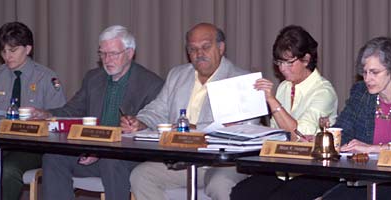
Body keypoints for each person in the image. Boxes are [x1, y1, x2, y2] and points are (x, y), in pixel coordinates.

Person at [28, 25, 164, 200]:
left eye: (113, 54)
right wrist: (46, 114)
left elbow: (151, 131)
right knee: (53, 157)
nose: (107, 60)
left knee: (111, 161)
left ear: (130, 53)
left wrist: (101, 151)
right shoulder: (93, 78)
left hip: (128, 158)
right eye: (102, 53)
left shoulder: (150, 84)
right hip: (92, 151)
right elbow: (72, 110)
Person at [121, 23, 253, 200]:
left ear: (221, 48)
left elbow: (248, 128)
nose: (199, 54)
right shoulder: (177, 75)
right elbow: (157, 110)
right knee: (141, 176)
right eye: (193, 49)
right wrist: (140, 122)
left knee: (221, 186)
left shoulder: (241, 80)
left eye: (206, 47)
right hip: (182, 159)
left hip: (223, 164)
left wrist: (197, 129)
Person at [230, 25, 339, 200]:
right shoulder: (284, 87)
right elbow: (277, 134)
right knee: (241, 193)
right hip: (282, 167)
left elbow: (300, 136)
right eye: (279, 62)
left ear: (306, 59)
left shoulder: (323, 91)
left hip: (314, 170)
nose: (282, 69)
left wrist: (272, 101)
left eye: (289, 62)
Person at [321, 36, 391, 200]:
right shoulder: (360, 93)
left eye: (374, 72)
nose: (367, 79)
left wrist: (372, 148)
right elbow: (343, 131)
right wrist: (324, 139)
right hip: (365, 178)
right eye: (365, 72)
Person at [0, 21, 66, 200]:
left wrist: (45, 116)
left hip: (31, 148)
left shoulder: (47, 78)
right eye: (3, 51)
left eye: (12, 50)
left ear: (28, 49)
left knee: (8, 171)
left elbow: (61, 117)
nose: (7, 56)